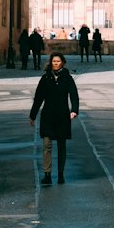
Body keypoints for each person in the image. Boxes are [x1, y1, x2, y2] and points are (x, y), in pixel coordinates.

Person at [29, 51, 79, 185]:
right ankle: (47, 174)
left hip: (62, 115)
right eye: (54, 61)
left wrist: (74, 110)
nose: (56, 63)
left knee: (62, 146)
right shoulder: (45, 78)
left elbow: (74, 95)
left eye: (58, 61)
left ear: (62, 62)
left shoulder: (67, 78)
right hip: (48, 116)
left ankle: (61, 174)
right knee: (47, 146)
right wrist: (32, 115)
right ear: (50, 62)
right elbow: (38, 98)